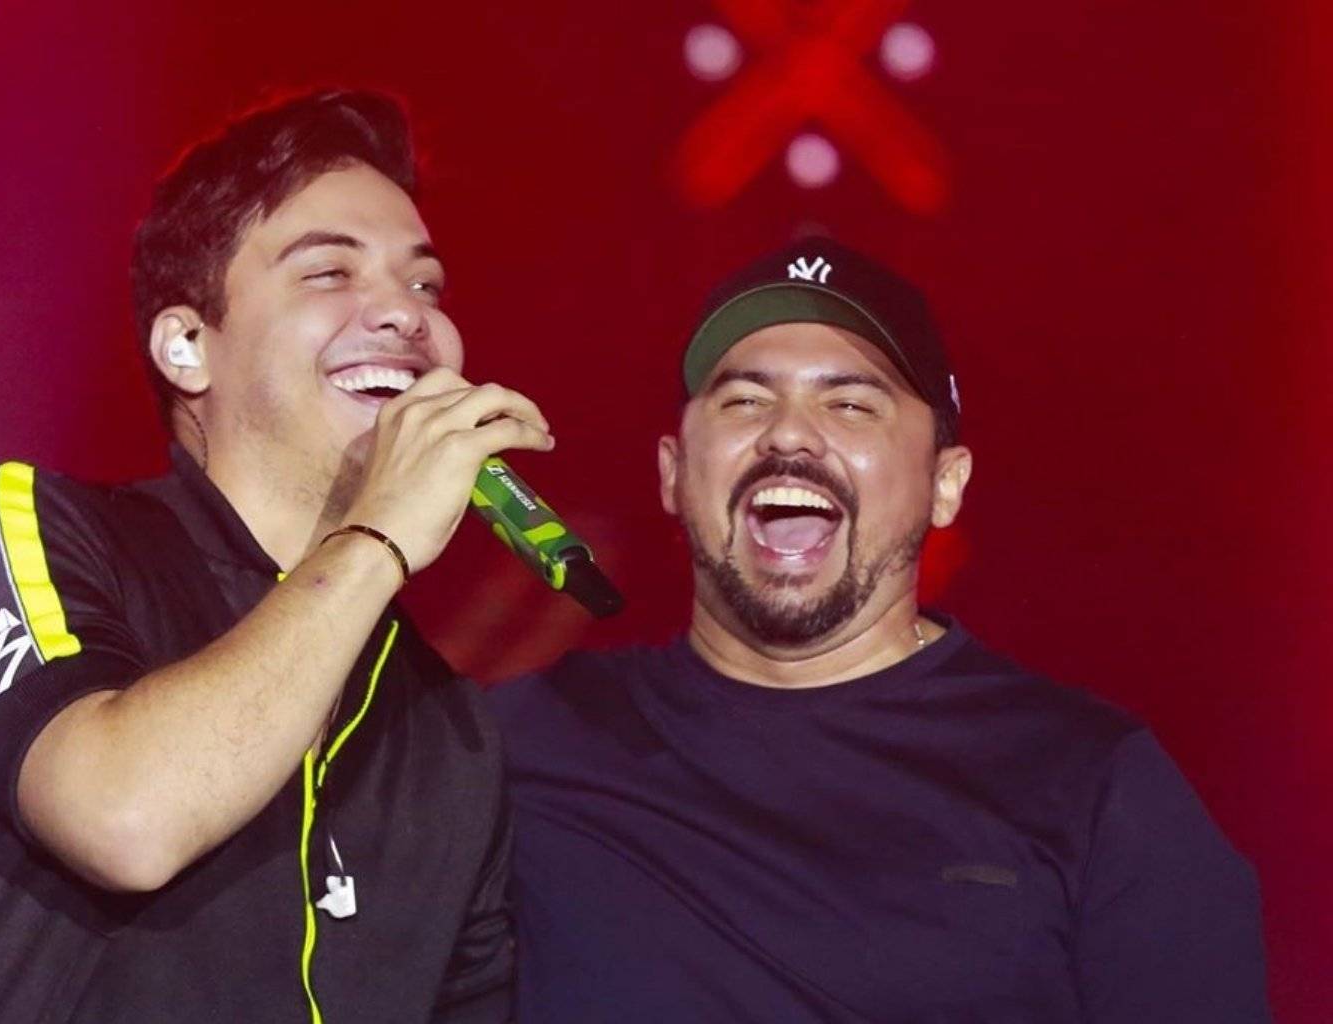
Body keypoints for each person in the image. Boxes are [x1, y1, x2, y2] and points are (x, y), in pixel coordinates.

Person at [0, 89, 546, 1023]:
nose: (405, 317)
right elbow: (121, 817)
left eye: (425, 286)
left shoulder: (449, 726)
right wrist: (378, 537)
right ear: (185, 345)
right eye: (330, 271)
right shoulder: (15, 523)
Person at [490, 237, 1269, 1022]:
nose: (788, 435)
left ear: (945, 483)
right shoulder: (524, 743)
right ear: (673, 472)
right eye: (745, 401)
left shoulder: (1090, 782)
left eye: (851, 405)